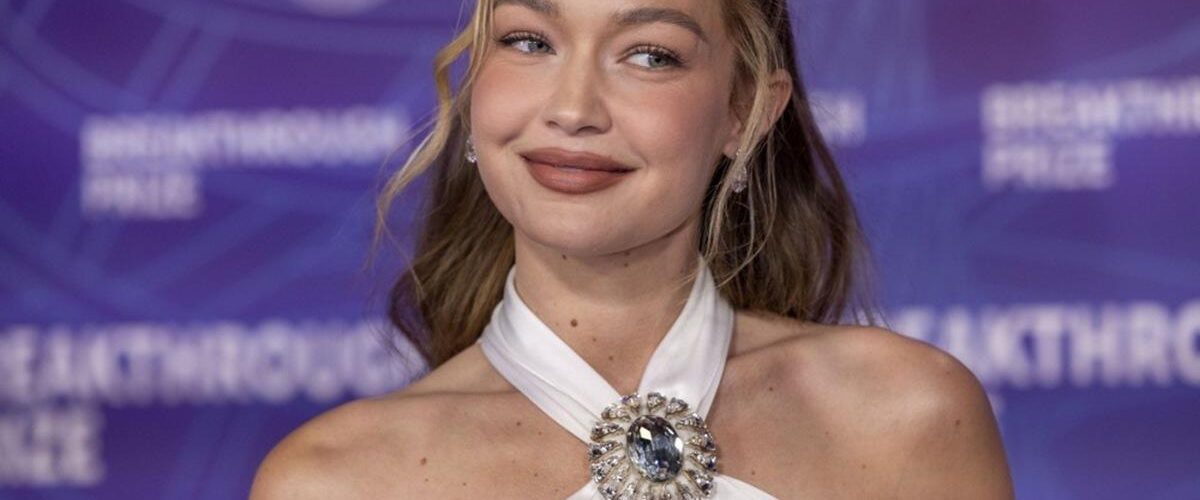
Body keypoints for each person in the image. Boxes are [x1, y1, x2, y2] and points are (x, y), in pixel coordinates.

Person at [251, 0, 1014, 498]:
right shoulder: (335, 481)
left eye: (649, 55)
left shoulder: (909, 414)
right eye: (529, 41)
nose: (573, 109)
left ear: (746, 111)